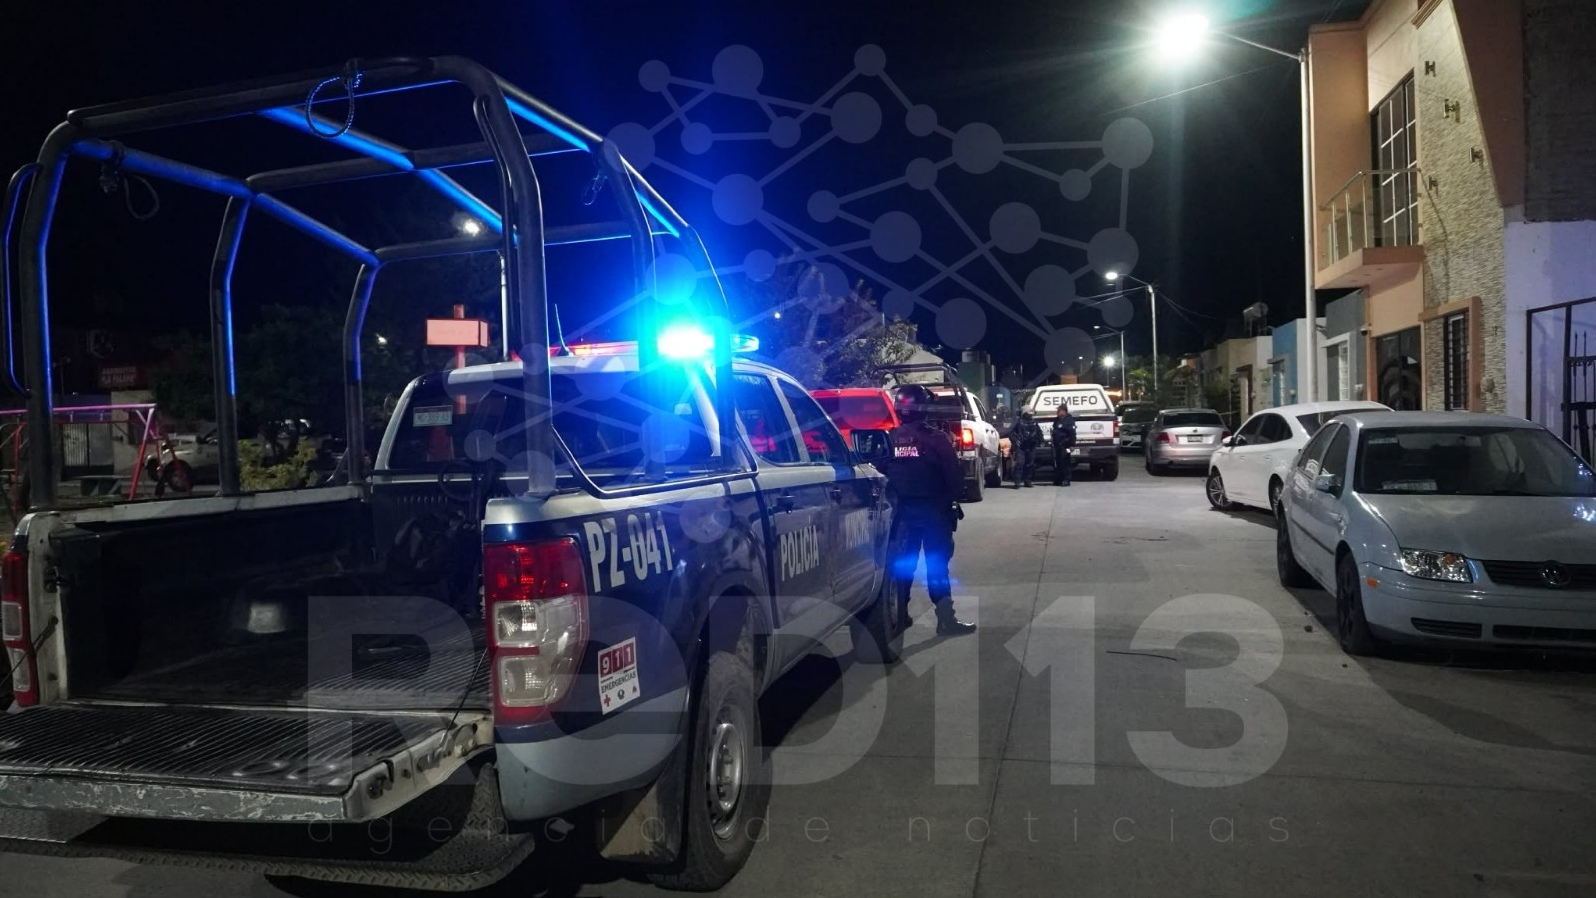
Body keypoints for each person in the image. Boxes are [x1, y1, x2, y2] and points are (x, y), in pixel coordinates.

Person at [881, 384, 977, 637]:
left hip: (901, 514)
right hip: (934, 512)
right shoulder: (936, 439)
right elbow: (954, 478)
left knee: (904, 566)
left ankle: (899, 617)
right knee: (936, 566)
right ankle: (946, 620)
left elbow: (882, 474)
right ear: (924, 408)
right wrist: (955, 497)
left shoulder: (890, 438)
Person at [1011, 410, 1043, 488]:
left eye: (1031, 414)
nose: (1030, 415)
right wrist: (1016, 441)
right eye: (1029, 414)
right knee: (1020, 464)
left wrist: (1040, 441)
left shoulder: (1034, 423)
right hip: (1021, 446)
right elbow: (1011, 433)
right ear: (1025, 413)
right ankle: (1017, 482)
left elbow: (1039, 433)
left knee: (1030, 464)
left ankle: (1027, 481)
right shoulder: (1019, 422)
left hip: (1031, 446)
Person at [1051, 405, 1077, 486]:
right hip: (1057, 445)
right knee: (1058, 462)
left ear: (1064, 411)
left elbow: (1072, 433)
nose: (1057, 412)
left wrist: (1072, 444)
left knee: (1065, 462)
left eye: (1059, 411)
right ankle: (1058, 479)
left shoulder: (1069, 420)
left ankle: (1066, 479)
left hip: (1065, 445)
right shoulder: (1057, 420)